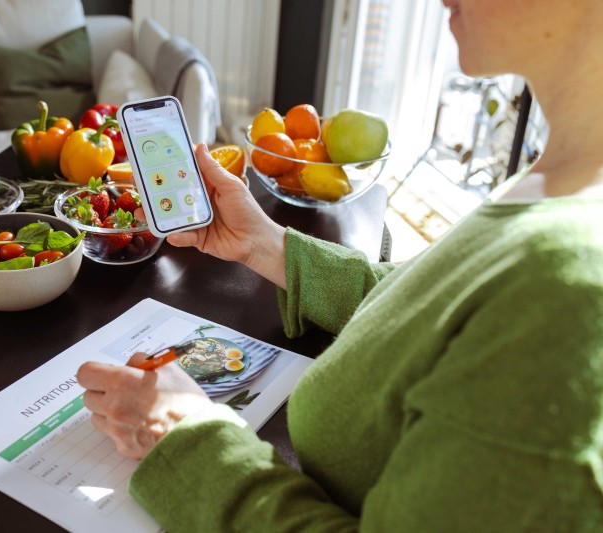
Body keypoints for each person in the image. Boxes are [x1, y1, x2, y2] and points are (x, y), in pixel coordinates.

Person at [78, 0, 603, 530]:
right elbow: (431, 309)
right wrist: (266, 245)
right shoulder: (557, 186)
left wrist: (183, 435)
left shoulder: (570, 295)